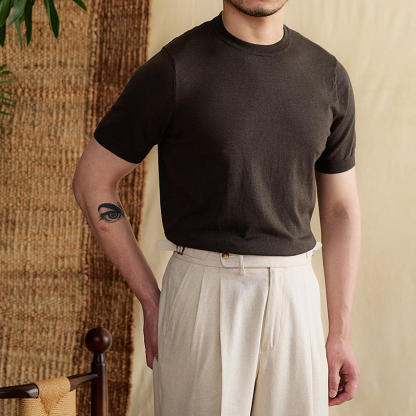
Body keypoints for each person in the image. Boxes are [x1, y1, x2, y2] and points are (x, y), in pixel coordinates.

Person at [72, 1, 361, 415]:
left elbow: (340, 211)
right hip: (202, 293)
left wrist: (340, 332)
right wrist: (151, 300)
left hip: (296, 294)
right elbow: (92, 181)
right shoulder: (174, 69)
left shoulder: (328, 77)